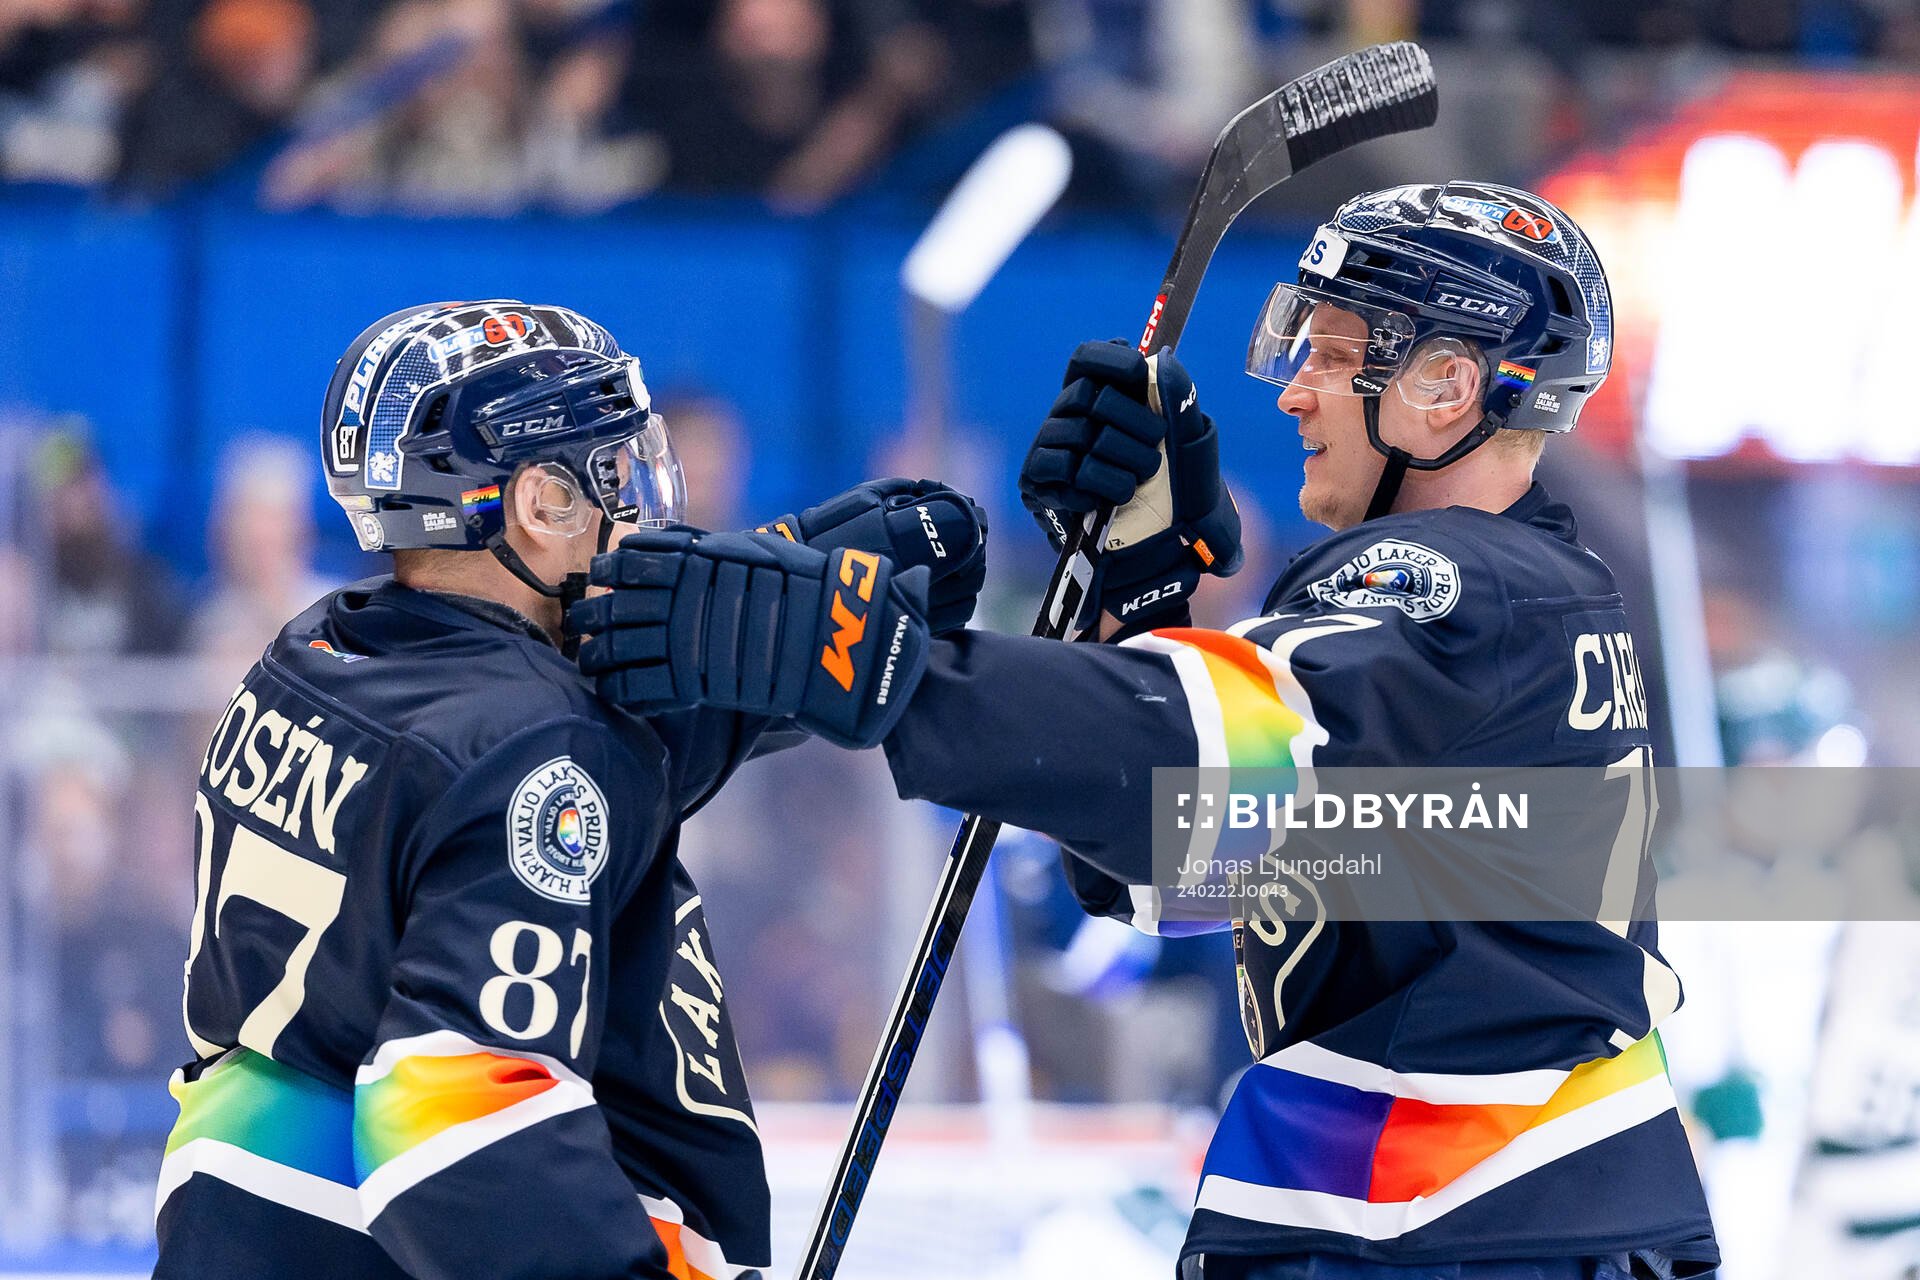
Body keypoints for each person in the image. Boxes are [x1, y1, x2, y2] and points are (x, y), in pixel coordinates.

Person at [576, 184, 1721, 1278]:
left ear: (1446, 386)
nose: (1293, 390)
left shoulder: (1452, 585)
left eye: (1330, 353)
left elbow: (1200, 771)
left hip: (1472, 1230)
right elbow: (1193, 853)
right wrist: (1141, 598)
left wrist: (878, 661)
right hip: (1483, 1223)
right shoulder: (1526, 596)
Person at [154, 299, 988, 1278]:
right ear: (541, 504)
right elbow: (465, 1136)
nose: (638, 506)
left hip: (250, 1212)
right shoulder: (538, 749)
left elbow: (595, 728)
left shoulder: (323, 650)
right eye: (613, 476)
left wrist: (813, 564)